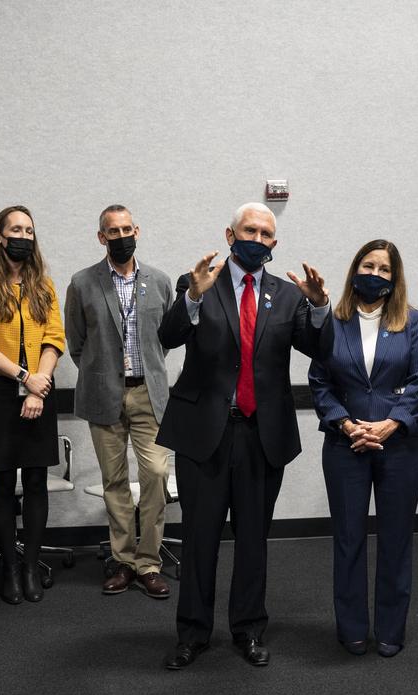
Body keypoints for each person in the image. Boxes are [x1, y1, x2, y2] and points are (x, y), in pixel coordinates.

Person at [158, 202, 330, 670]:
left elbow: (320, 350)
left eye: (266, 233)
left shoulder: (288, 295)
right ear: (229, 235)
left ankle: (249, 630)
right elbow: (168, 336)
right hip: (204, 434)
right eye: (248, 230)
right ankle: (192, 633)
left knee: (254, 539)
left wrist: (319, 307)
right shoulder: (198, 283)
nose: (257, 238)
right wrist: (191, 299)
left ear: (274, 244)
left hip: (261, 435)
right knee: (199, 540)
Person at [309, 239, 418, 657]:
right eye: (368, 265)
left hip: (399, 447)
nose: (374, 274)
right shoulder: (333, 321)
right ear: (354, 269)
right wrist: (346, 424)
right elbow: (320, 383)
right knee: (348, 539)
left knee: (396, 540)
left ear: (394, 278)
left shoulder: (412, 321)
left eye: (383, 269)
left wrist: (391, 423)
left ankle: (391, 629)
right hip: (346, 446)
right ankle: (353, 629)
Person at [65, 205, 174, 599]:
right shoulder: (82, 283)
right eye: (113, 231)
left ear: (137, 231)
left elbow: (165, 339)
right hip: (103, 393)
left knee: (156, 475)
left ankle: (149, 562)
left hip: (149, 393)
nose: (121, 235)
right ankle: (124, 561)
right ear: (101, 237)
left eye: (127, 228)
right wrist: (101, 373)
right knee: (114, 482)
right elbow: (75, 342)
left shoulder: (160, 282)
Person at [0, 205, 65, 606]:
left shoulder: (43, 285)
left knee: (36, 480)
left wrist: (38, 388)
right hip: (1, 390)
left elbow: (55, 337)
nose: (23, 235)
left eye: (29, 229)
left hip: (41, 386)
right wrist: (25, 380)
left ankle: (30, 566)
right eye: (15, 229)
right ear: (1, 237)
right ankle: (8, 567)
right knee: (4, 482)